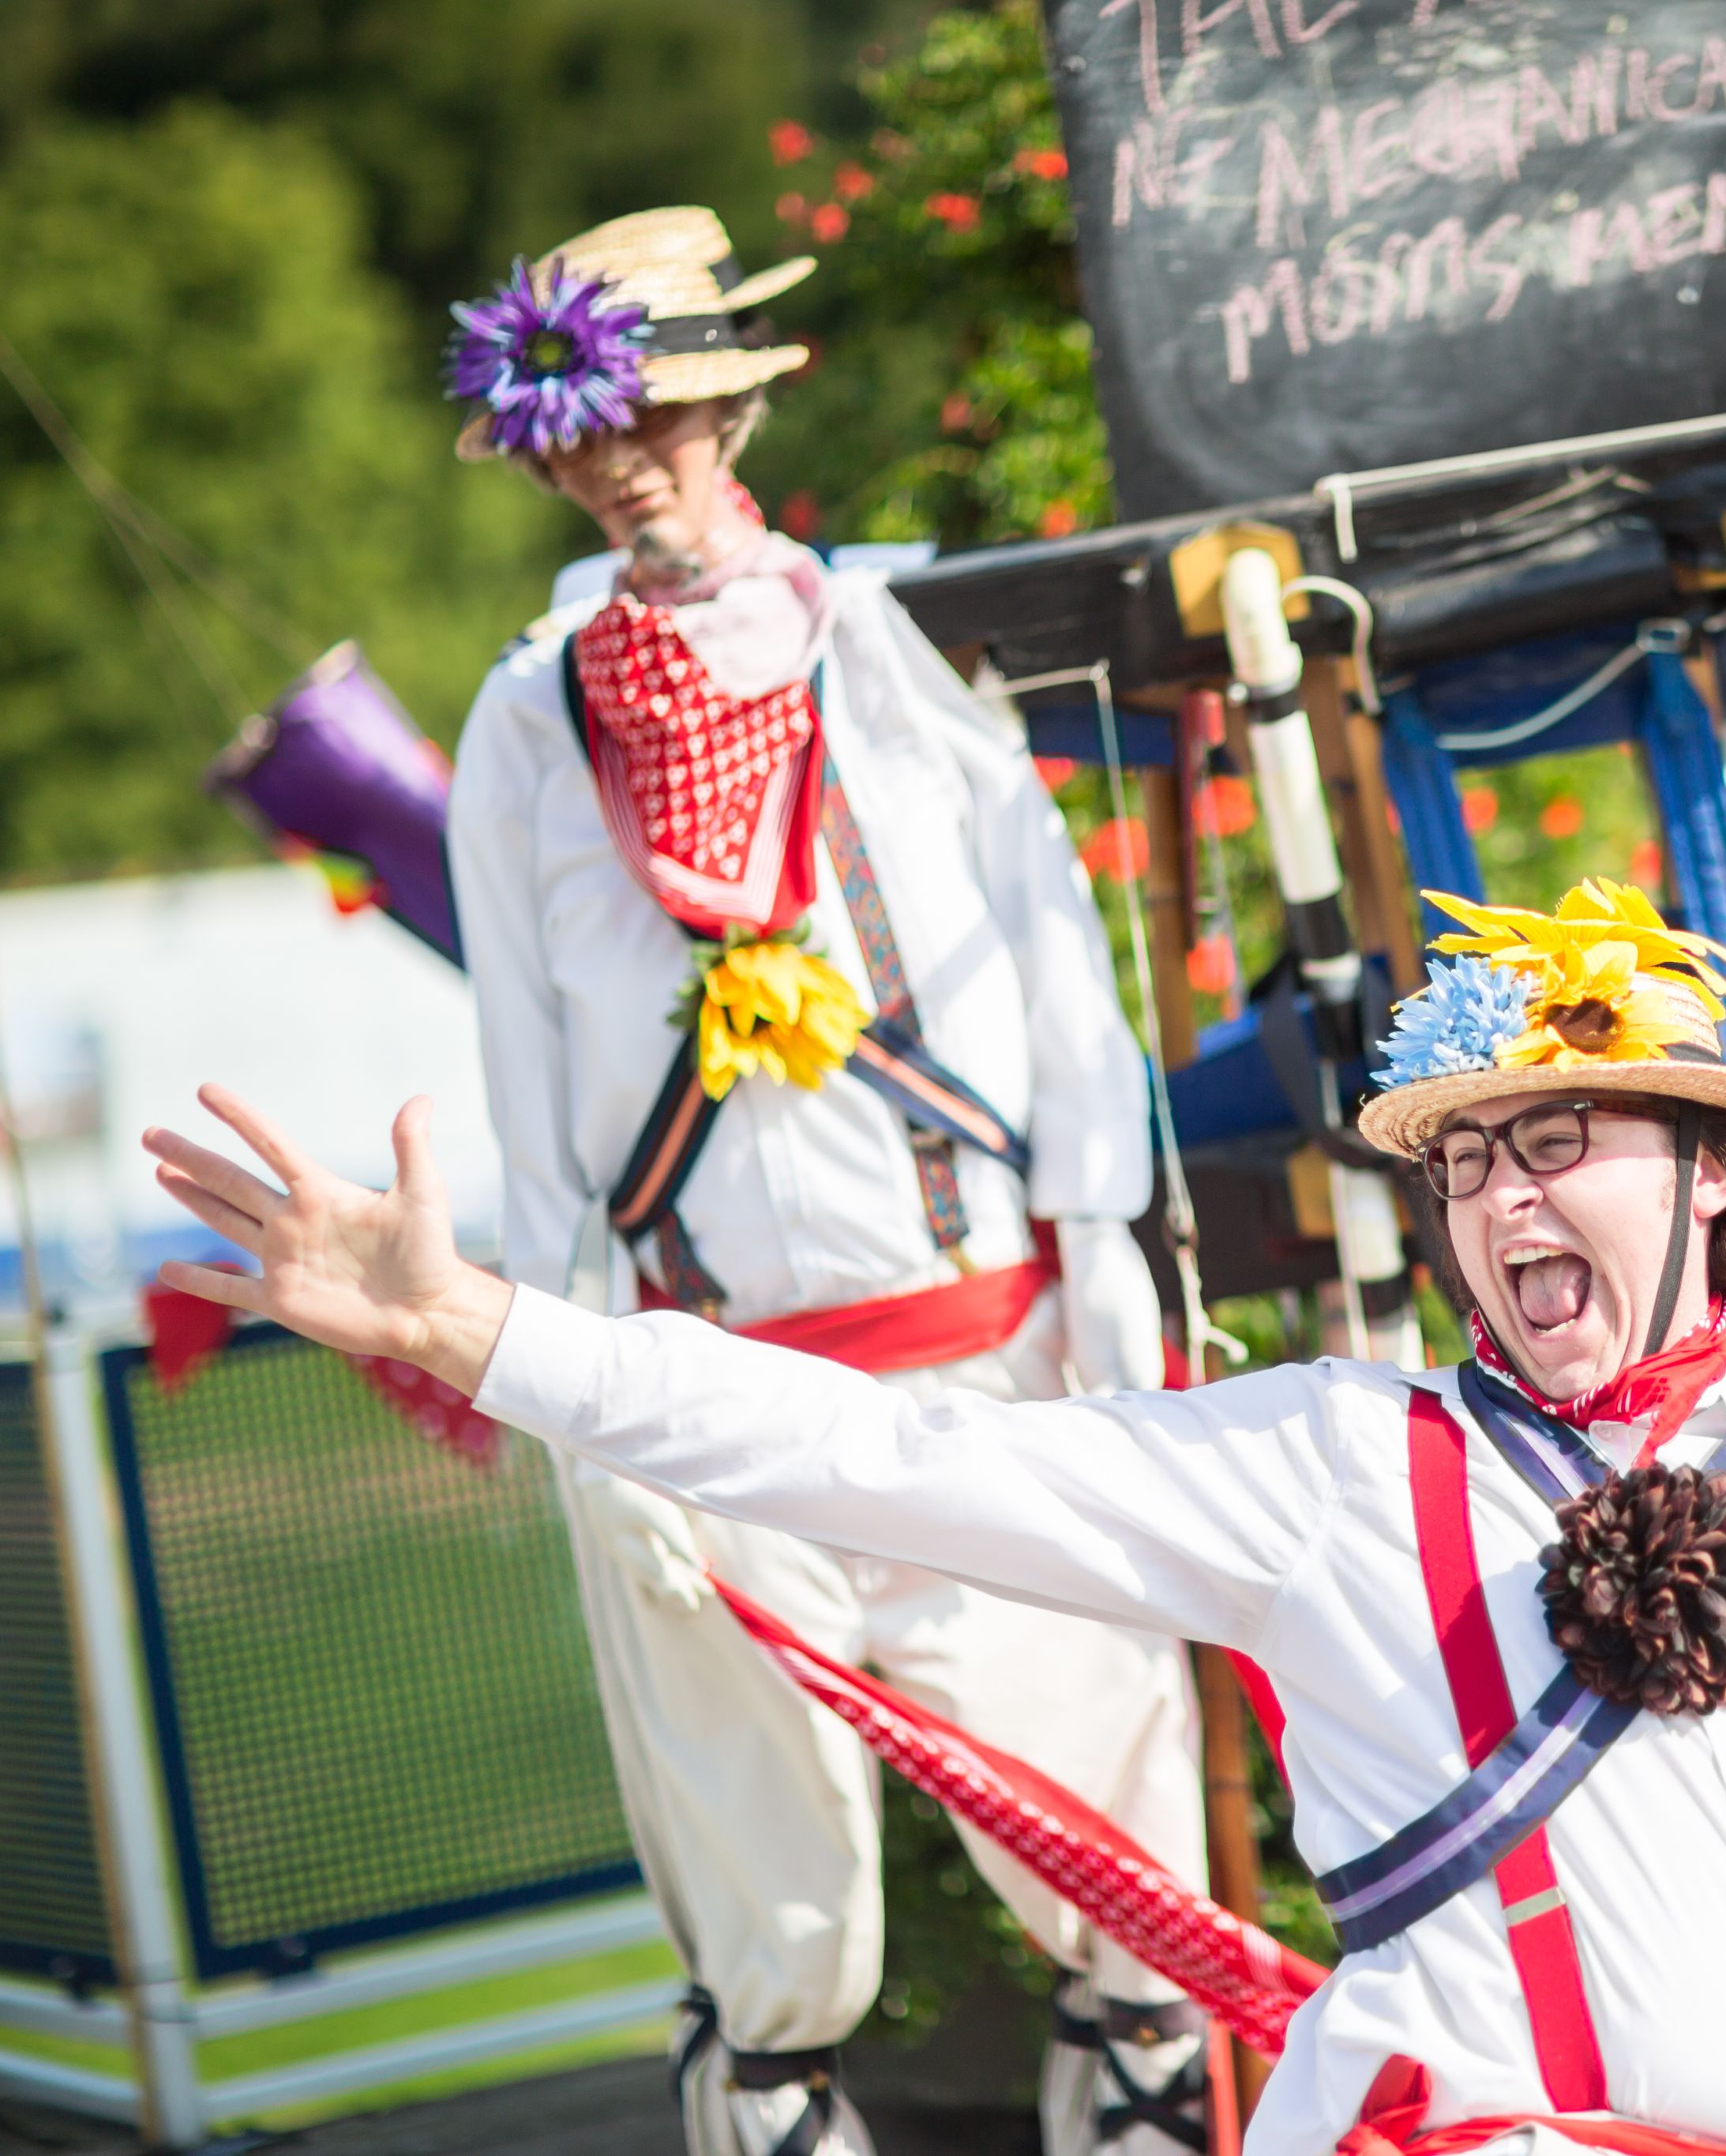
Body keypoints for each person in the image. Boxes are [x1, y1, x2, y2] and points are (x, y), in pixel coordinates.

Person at [140, 876, 1726, 2156]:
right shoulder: (1321, 1464)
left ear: (1708, 1178)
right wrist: (482, 1336)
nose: (1498, 1203)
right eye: (1462, 1167)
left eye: (1556, 1141)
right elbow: (886, 1456)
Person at [436, 205, 1206, 2156]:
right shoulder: (531, 717)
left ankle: (1137, 2093)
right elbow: (528, 1075)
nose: (629, 460)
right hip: (708, 1380)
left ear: (739, 410)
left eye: (668, 414)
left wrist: (1101, 1239)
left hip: (978, 1350)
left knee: (1094, 1803)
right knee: (766, 1864)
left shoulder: (886, 637)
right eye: (593, 428)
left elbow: (1050, 956)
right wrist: (578, 1390)